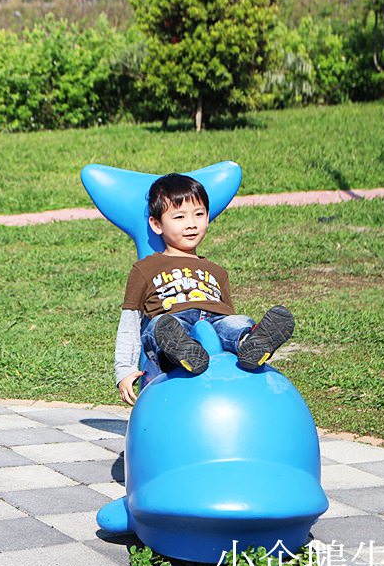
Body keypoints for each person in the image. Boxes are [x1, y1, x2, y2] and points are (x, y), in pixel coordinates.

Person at [115, 173, 294, 405]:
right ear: (156, 224)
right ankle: (181, 354)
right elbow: (130, 322)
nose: (191, 224)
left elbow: (227, 313)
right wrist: (125, 370)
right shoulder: (145, 268)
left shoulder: (216, 271)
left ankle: (252, 344)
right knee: (161, 327)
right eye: (179, 217)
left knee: (235, 323)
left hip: (215, 320)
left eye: (199, 214)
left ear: (208, 217)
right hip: (172, 320)